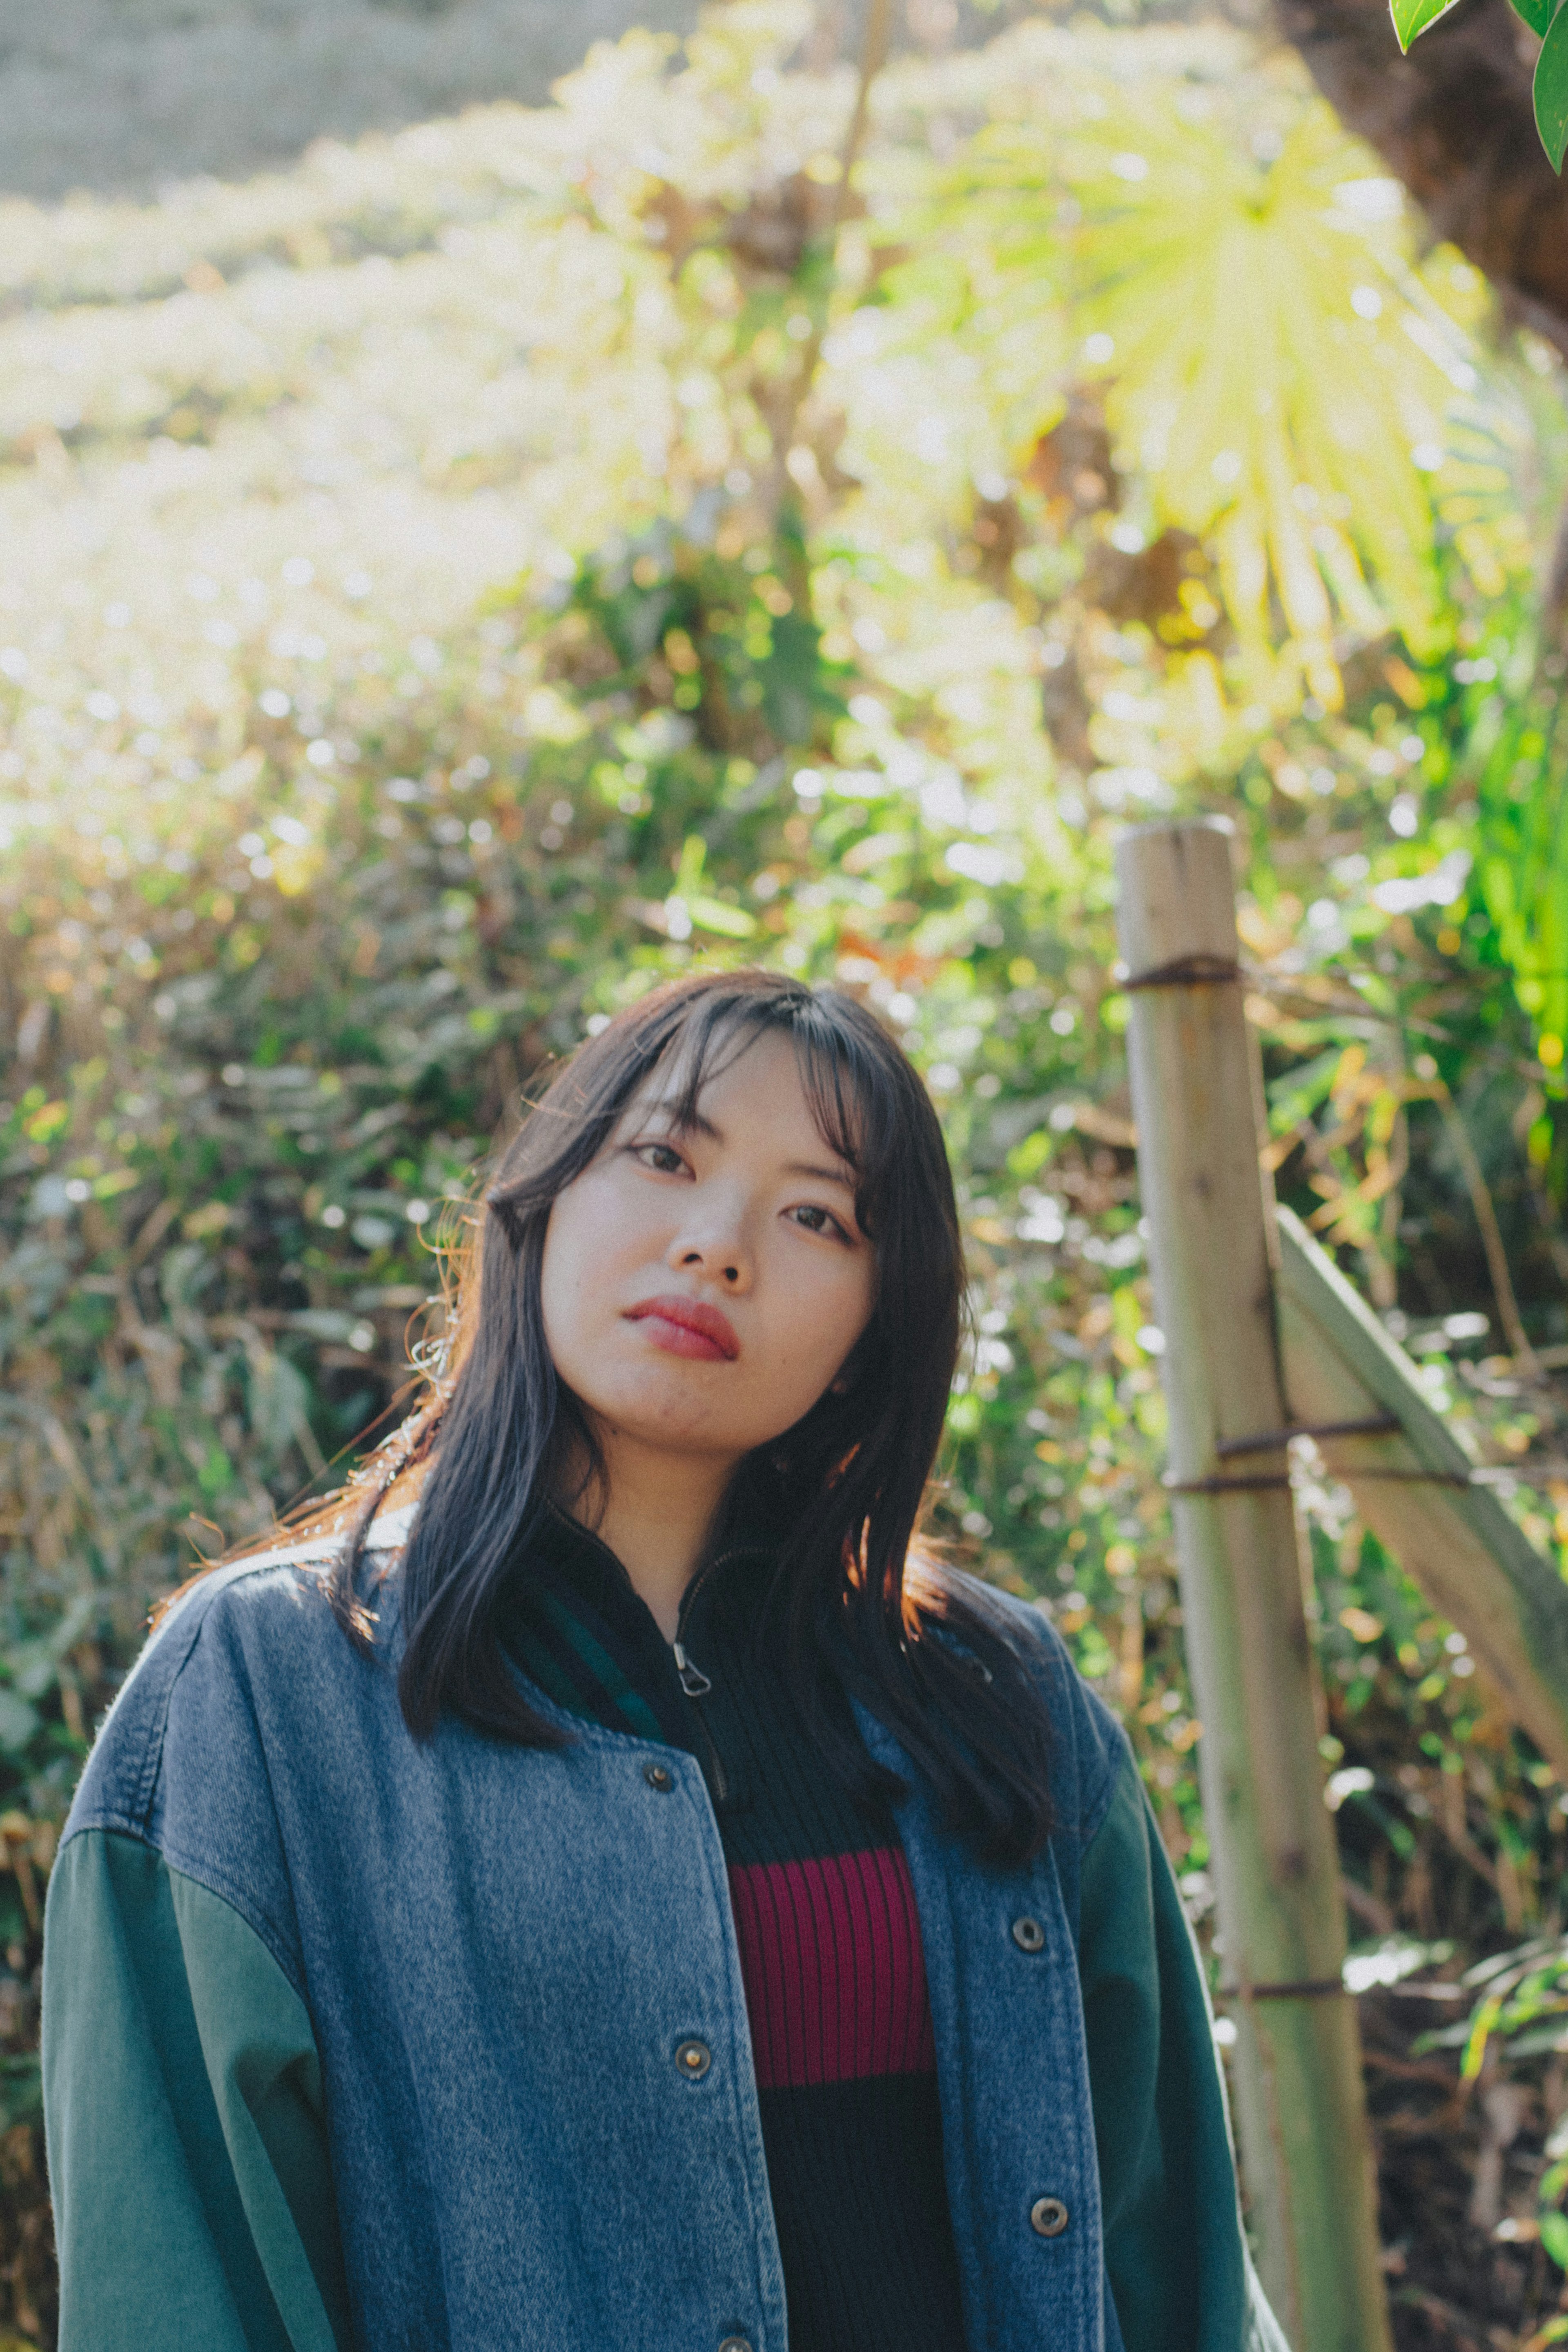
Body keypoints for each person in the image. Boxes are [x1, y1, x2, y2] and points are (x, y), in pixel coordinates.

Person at [42, 968, 1285, 2352]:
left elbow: (1179, 2269)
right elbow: (177, 2290)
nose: (718, 1245)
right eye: (664, 1155)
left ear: (881, 1322)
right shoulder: (261, 1698)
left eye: (817, 1214)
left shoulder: (999, 1698)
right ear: (544, 1194)